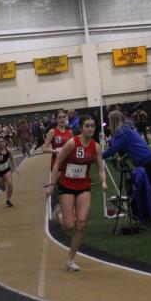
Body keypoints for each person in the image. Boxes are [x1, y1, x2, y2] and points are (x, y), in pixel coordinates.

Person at [47, 115, 106, 272]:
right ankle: (59, 212)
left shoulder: (96, 147)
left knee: (82, 223)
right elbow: (57, 163)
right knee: (69, 226)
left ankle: (70, 259)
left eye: (92, 126)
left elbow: (100, 168)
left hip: (84, 186)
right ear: (81, 127)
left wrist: (103, 181)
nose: (90, 129)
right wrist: (52, 185)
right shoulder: (72, 143)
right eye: (87, 126)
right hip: (66, 185)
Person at [103, 110, 151, 224]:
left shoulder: (122, 132)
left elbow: (112, 150)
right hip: (147, 158)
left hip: (145, 160)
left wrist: (97, 155)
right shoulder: (126, 128)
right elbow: (119, 143)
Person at [0, 135, 17, 207]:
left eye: (2, 141)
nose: (1, 143)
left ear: (5, 142)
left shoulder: (8, 150)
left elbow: (12, 159)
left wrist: (15, 168)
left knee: (10, 184)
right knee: (3, 188)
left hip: (6, 169)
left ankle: (8, 200)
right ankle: (2, 180)